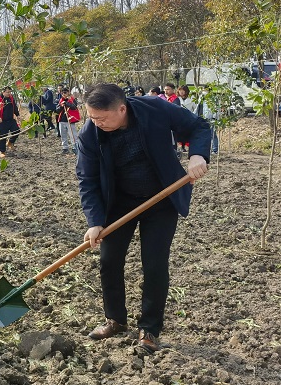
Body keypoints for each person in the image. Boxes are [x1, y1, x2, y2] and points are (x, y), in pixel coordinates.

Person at [77, 83, 210, 354]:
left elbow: (198, 126)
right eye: (92, 117)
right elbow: (87, 179)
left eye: (101, 117)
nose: (96, 122)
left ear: (122, 108)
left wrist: (197, 154)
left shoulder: (155, 108)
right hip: (119, 202)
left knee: (154, 263)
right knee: (109, 260)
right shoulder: (90, 134)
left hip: (161, 198)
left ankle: (149, 328)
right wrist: (94, 221)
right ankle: (115, 320)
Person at [0, 86, 21, 158]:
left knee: (17, 131)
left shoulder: (11, 98)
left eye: (10, 92)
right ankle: (2, 151)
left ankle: (10, 142)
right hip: (2, 121)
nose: (9, 93)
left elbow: (14, 107)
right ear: (3, 92)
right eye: (7, 92)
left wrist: (17, 115)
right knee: (2, 136)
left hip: (11, 120)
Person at [55, 87, 81, 154]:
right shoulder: (60, 100)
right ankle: (65, 148)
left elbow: (74, 106)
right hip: (62, 120)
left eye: (65, 92)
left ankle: (75, 148)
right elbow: (57, 110)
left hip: (70, 120)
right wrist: (61, 106)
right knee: (63, 135)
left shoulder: (72, 99)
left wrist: (66, 103)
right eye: (62, 92)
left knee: (73, 135)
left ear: (68, 92)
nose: (64, 94)